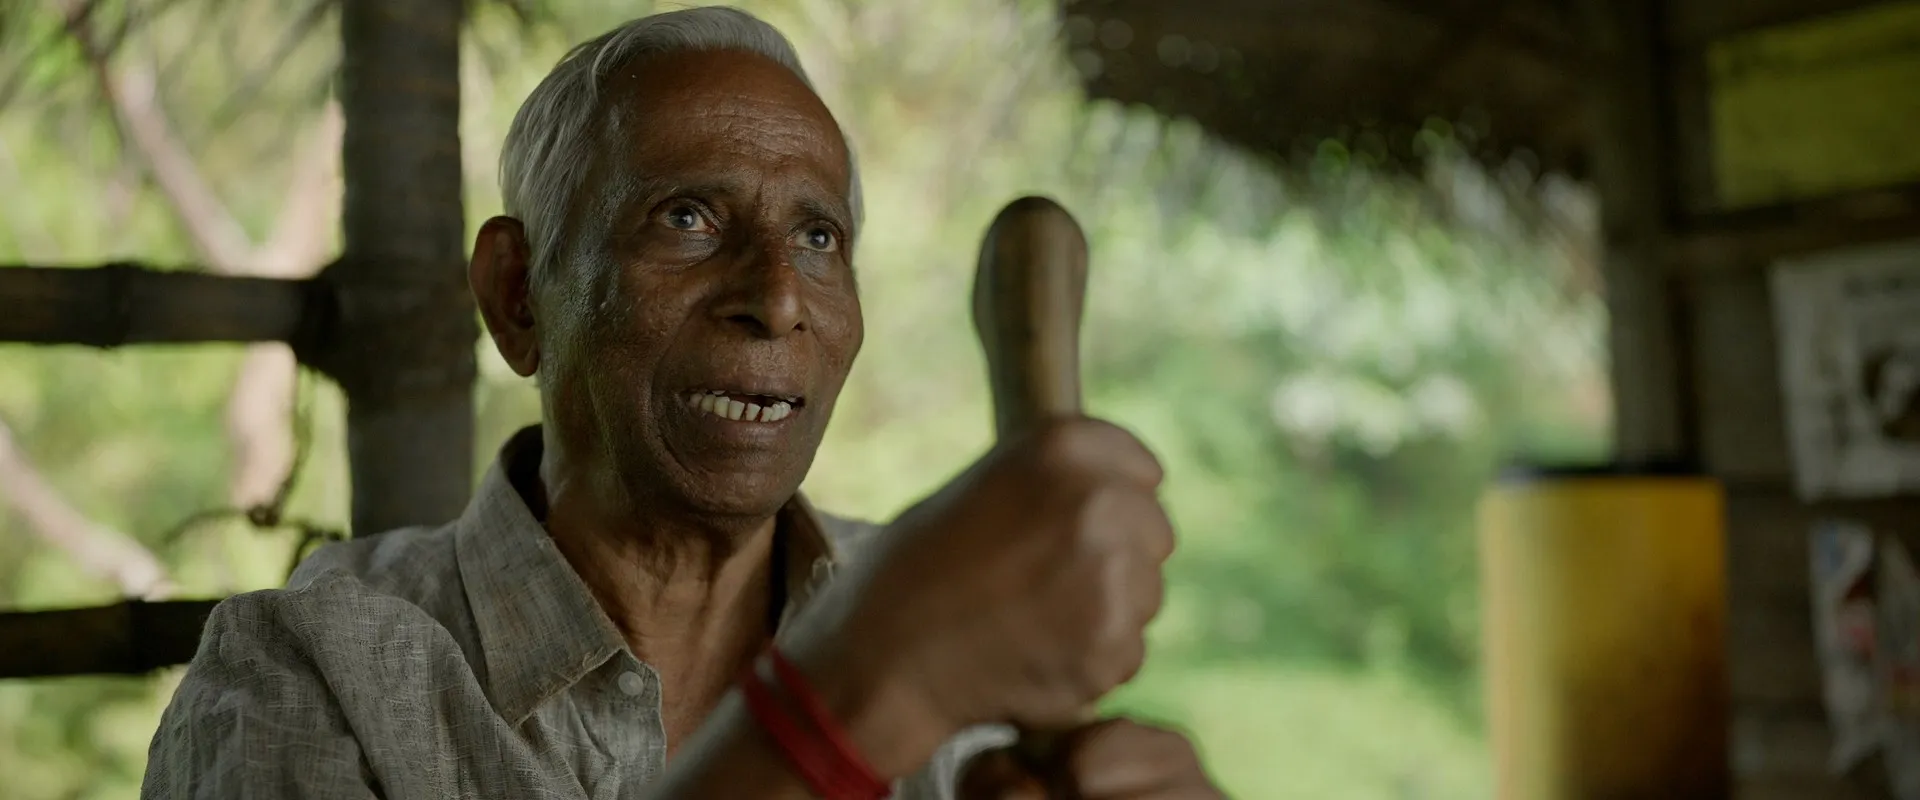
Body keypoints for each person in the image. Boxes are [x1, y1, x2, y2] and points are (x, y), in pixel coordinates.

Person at [143, 7, 1220, 799]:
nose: (778, 298)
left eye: (818, 236)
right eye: (688, 220)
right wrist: (841, 710)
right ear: (518, 295)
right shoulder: (315, 672)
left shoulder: (967, 639)